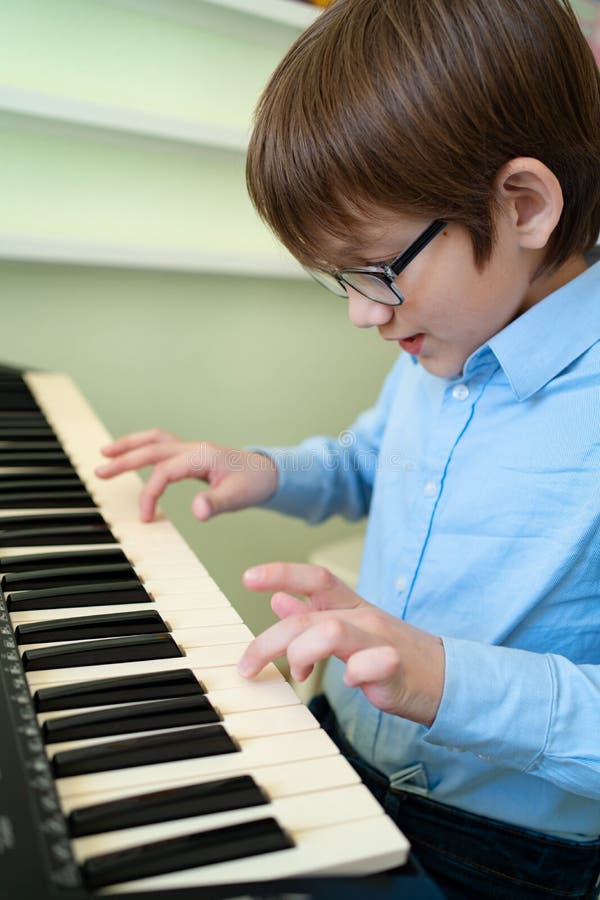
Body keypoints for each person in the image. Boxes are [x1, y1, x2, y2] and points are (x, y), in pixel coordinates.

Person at [96, 0, 600, 896]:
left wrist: (447, 680)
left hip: (508, 849)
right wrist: (271, 470)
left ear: (523, 205)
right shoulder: (438, 341)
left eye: (377, 271)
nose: (365, 313)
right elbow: (372, 462)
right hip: (348, 748)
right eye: (343, 281)